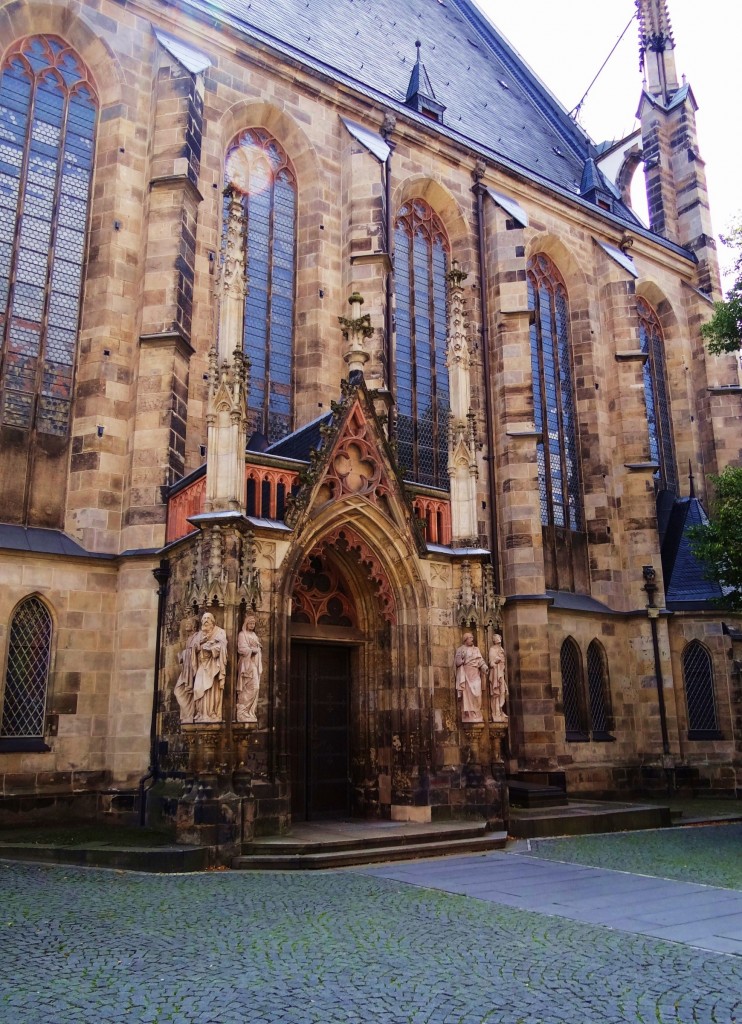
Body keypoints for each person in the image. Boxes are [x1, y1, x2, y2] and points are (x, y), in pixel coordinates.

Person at [174, 612, 228, 723]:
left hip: (213, 666)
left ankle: (210, 713)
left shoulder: (220, 631)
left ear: (213, 621)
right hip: (202, 665)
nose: (206, 620)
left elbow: (223, 646)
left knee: (210, 690)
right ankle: (200, 713)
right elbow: (193, 648)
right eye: (204, 618)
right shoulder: (198, 635)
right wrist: (200, 646)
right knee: (198, 688)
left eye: (208, 618)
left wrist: (210, 648)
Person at [454, 632, 487, 723]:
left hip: (475, 674)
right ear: (465, 640)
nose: (472, 639)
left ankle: (476, 712)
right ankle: (469, 714)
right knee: (467, 695)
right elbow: (457, 662)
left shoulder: (476, 649)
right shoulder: (460, 649)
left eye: (472, 638)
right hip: (466, 674)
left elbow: (480, 661)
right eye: (470, 638)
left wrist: (484, 667)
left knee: (477, 694)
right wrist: (462, 660)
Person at [236, 612, 262, 723]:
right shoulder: (242, 634)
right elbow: (241, 648)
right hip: (247, 664)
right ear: (246, 623)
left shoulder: (254, 635)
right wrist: (253, 650)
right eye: (250, 623)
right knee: (250, 686)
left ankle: (249, 711)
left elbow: (257, 647)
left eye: (253, 623)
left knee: (255, 687)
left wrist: (257, 649)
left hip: (254, 663)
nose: (252, 625)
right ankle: (242, 710)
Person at [488, 633, 508, 721]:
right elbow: (491, 662)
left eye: (499, 638)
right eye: (496, 639)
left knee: (503, 691)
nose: (498, 640)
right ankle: (496, 712)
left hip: (501, 672)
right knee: (496, 693)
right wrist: (496, 661)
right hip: (496, 673)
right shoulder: (492, 649)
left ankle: (500, 709)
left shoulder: (502, 649)